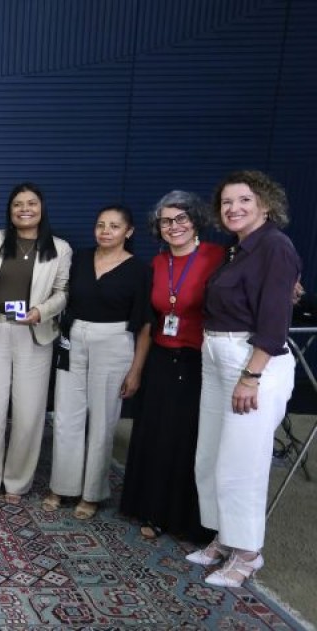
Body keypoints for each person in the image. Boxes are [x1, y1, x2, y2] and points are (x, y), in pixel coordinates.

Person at [188, 171, 300, 587]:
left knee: (243, 462)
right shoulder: (238, 250)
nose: (233, 208)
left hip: (251, 363)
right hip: (217, 356)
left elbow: (274, 320)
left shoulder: (275, 246)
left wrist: (251, 376)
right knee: (212, 454)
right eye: (226, 202)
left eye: (244, 200)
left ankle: (248, 553)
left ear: (265, 205)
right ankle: (225, 537)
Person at [120, 191, 224, 542]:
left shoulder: (218, 257)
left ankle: (185, 519)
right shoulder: (157, 263)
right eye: (166, 221)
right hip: (160, 358)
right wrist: (136, 369)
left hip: (198, 361)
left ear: (196, 221)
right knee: (155, 436)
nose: (174, 226)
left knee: (187, 439)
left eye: (181, 218)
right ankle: (152, 509)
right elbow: (149, 321)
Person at [45, 205, 151, 519]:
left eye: (114, 226)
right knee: (66, 417)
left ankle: (92, 493)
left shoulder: (139, 270)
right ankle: (62, 486)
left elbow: (145, 325)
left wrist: (136, 371)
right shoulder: (79, 259)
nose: (106, 231)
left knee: (102, 422)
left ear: (129, 232)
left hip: (115, 343)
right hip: (74, 340)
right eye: (101, 225)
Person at [0, 184, 71, 504]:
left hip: (35, 334)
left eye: (31, 203)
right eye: (17, 204)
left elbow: (63, 292)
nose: (24, 209)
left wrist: (41, 311)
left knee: (28, 413)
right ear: (10, 211)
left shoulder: (59, 248)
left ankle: (17, 482)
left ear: (41, 208)